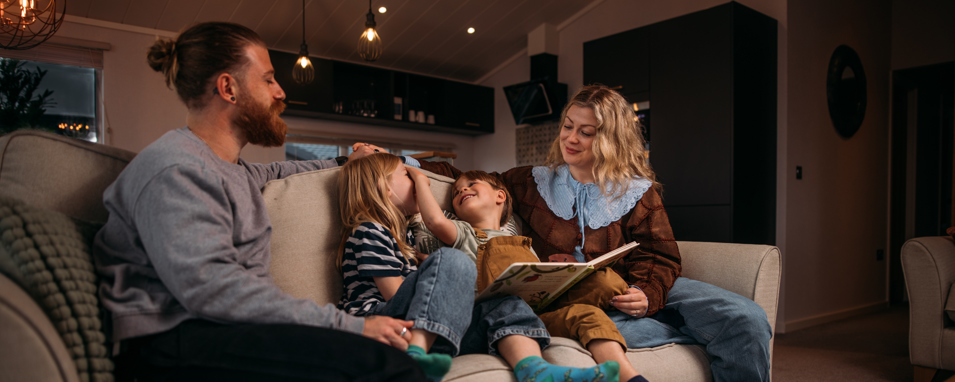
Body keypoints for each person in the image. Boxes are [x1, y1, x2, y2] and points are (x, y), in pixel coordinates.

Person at [93, 22, 422, 381]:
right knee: (385, 365)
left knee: (384, 357)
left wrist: (345, 162)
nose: (280, 92)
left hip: (222, 329)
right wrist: (350, 326)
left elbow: (280, 170)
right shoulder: (176, 169)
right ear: (228, 88)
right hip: (174, 340)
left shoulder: (232, 170)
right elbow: (214, 292)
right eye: (268, 79)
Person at [414, 84, 774, 382]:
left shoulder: (637, 190)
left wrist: (647, 293)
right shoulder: (532, 182)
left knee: (746, 317)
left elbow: (660, 253)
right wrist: (403, 162)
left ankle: (668, 317)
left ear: (611, 139)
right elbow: (462, 175)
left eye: (586, 132)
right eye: (568, 126)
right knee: (614, 331)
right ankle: (680, 330)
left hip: (632, 285)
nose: (571, 138)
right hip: (580, 298)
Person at [337, 153, 622, 382]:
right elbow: (394, 295)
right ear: (384, 187)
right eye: (407, 175)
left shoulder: (407, 236)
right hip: (384, 324)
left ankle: (533, 369)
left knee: (505, 303)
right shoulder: (370, 230)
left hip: (433, 326)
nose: (415, 181)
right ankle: (414, 358)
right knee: (453, 260)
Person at [409, 169, 648, 382]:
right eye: (456, 192)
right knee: (505, 264)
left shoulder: (524, 244)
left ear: (499, 196)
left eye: (471, 184)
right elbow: (434, 220)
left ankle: (629, 377)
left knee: (603, 289)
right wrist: (421, 179)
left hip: (538, 311)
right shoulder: (464, 232)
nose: (462, 189)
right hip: (500, 312)